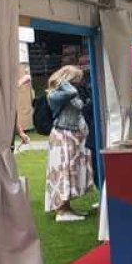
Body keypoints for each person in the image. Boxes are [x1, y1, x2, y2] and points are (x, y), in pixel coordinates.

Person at [45, 65, 94, 222]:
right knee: (63, 171)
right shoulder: (55, 94)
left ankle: (67, 207)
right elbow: (71, 92)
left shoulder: (69, 94)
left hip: (72, 135)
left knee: (71, 171)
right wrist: (64, 82)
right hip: (62, 136)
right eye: (76, 80)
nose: (78, 83)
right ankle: (61, 210)